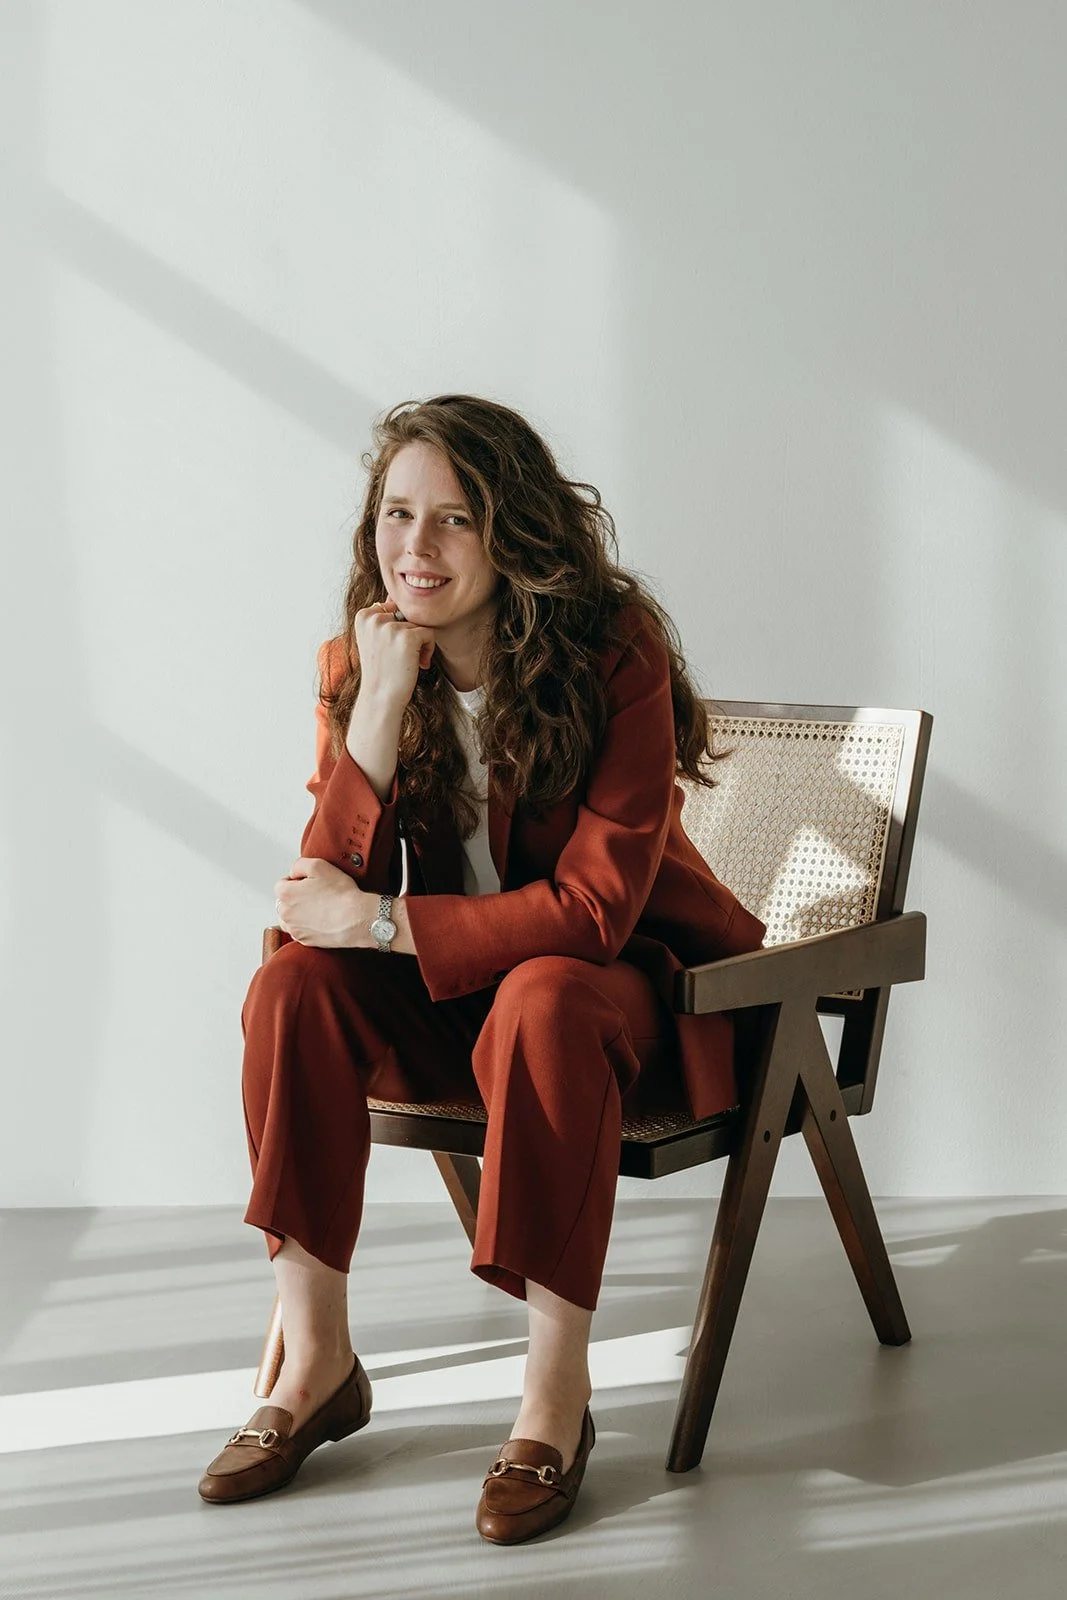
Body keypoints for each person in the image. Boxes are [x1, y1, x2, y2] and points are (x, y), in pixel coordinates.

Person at [196, 394, 766, 1542]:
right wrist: (381, 706)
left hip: (628, 1007)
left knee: (544, 990)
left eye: (454, 520)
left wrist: (386, 924)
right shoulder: (356, 661)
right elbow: (320, 907)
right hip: (465, 1008)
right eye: (397, 515)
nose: (416, 548)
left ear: (516, 535)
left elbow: (595, 911)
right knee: (290, 987)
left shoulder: (614, 657)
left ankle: (555, 1398)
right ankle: (314, 1364)